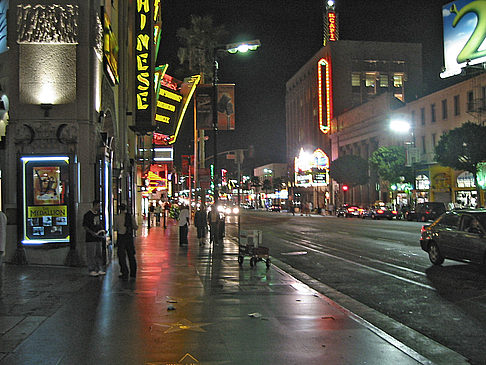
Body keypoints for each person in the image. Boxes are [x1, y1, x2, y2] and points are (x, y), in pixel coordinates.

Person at [114, 203, 138, 280]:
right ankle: (133, 273)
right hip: (129, 237)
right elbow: (135, 227)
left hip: (121, 237)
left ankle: (124, 272)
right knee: (131, 255)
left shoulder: (117, 217)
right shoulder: (130, 216)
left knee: (121, 256)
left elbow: (115, 228)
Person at [83, 200, 105, 277]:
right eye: (98, 206)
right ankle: (91, 269)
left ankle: (99, 268)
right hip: (90, 238)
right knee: (91, 254)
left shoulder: (98, 215)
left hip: (98, 237)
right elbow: (85, 226)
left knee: (98, 253)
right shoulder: (87, 215)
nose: (99, 208)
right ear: (95, 205)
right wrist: (92, 233)